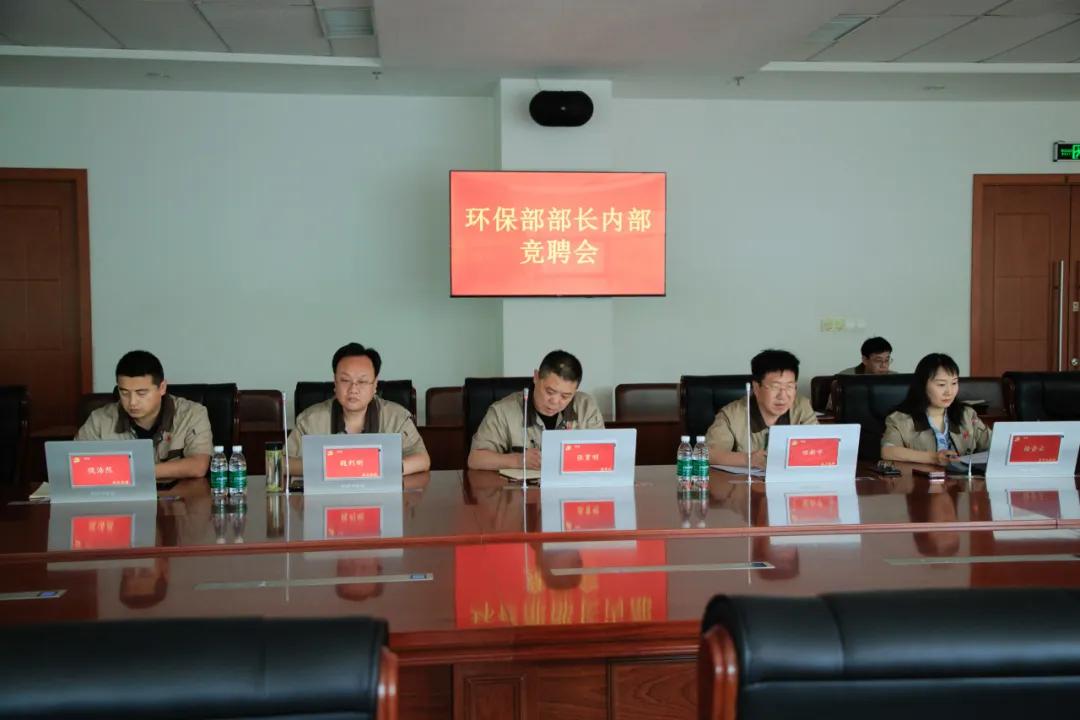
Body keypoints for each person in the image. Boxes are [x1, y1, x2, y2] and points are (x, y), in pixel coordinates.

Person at [287, 343, 429, 475]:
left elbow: (422, 459)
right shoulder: (311, 420)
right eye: (345, 380)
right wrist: (332, 467)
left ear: (375, 385)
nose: (353, 389)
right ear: (335, 383)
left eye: (362, 381)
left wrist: (379, 468)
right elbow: (283, 463)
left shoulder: (396, 417)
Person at [76, 350, 212, 480]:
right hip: (121, 493)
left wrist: (129, 471)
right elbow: (76, 465)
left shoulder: (192, 414)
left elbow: (199, 465)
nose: (132, 402)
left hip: (177, 493)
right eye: (124, 393)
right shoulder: (99, 420)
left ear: (162, 388)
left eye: (141, 393)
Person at [468, 349, 604, 471]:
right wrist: (519, 460)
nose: (555, 401)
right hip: (522, 489)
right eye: (550, 392)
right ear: (536, 377)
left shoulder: (586, 407)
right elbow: (475, 459)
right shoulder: (503, 411)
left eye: (565, 396)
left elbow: (604, 455)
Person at [706, 349, 817, 469]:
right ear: (756, 387)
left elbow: (819, 446)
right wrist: (748, 459)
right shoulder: (732, 414)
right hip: (744, 481)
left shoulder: (802, 407)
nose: (783, 396)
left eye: (790, 386)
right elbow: (708, 454)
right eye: (775, 387)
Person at [881, 352, 991, 466]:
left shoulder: (967, 415)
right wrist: (934, 458)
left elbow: (994, 444)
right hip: (921, 477)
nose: (949, 392)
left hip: (964, 477)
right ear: (922, 386)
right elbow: (888, 451)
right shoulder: (900, 419)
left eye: (954, 383)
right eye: (941, 385)